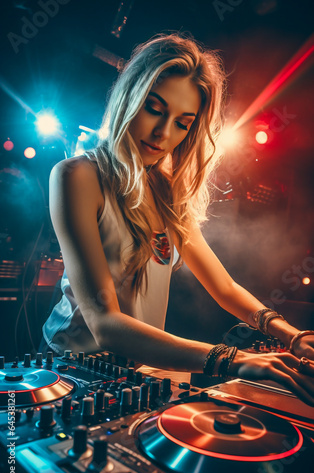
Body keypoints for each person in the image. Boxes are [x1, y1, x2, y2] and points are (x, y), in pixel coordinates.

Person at [42, 33, 314, 405]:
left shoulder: (167, 192)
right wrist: (233, 360)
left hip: (140, 373)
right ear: (130, 98)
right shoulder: (77, 176)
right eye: (154, 108)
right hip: (73, 374)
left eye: (182, 123)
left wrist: (290, 334)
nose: (162, 134)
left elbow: (224, 288)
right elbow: (104, 323)